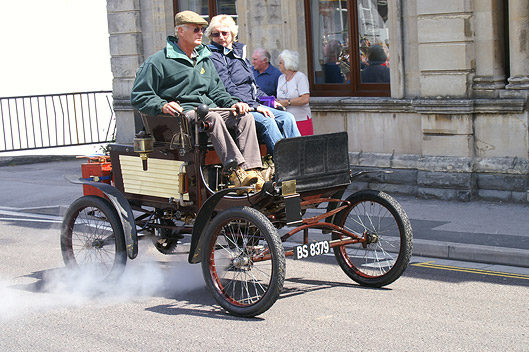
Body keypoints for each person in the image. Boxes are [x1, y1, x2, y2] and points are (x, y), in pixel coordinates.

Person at [130, 10, 264, 191]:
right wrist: (162, 105)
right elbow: (139, 95)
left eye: (202, 29)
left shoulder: (204, 59)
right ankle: (236, 171)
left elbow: (218, 91)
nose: (201, 33)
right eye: (195, 29)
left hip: (208, 110)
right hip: (182, 117)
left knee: (244, 117)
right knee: (212, 118)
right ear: (180, 31)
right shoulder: (158, 61)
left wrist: (233, 103)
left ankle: (253, 171)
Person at [205, 15, 300, 158]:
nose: (221, 37)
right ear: (211, 36)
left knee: (288, 118)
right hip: (235, 107)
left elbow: (253, 86)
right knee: (268, 122)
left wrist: (269, 100)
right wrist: (255, 106)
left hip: (252, 104)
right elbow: (227, 87)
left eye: (224, 33)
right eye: (215, 34)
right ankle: (287, 164)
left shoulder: (239, 53)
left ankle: (301, 160)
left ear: (232, 34)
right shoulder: (214, 56)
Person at [276, 50, 313, 136]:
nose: (279, 65)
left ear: (287, 63)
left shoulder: (300, 77)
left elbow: (305, 99)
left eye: (281, 63)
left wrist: (286, 102)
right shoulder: (281, 78)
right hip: (285, 120)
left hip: (301, 119)